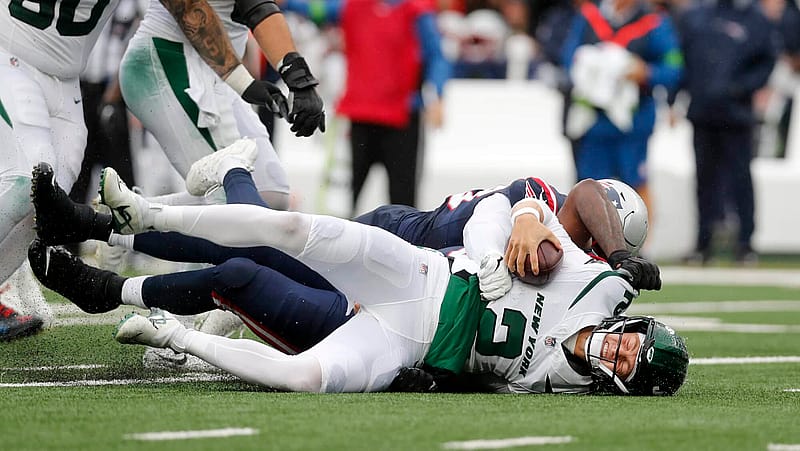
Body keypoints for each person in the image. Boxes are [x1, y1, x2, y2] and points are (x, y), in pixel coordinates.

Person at [29, 156, 688, 395]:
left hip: (404, 335)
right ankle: (136, 218)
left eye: (627, 366)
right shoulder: (582, 264)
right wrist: (516, 223)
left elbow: (481, 375)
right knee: (279, 236)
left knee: (289, 344)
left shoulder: (561, 379)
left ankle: (165, 320)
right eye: (630, 344)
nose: (618, 351)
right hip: (414, 259)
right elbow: (555, 201)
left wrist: (434, 379)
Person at [0, 0, 311, 339]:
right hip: (19, 55)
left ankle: (123, 220)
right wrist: (271, 78)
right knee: (25, 186)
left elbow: (223, 7)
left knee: (42, 205)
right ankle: (179, 321)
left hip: (70, 81)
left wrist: (273, 76)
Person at [117, 0, 326, 213]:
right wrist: (245, 82)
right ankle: (126, 222)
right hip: (170, 59)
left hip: (215, 72)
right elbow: (189, 8)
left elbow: (260, 6)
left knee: (270, 193)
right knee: (233, 203)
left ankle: (130, 215)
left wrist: (299, 79)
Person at [281, 0, 452, 213]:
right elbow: (316, 9)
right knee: (341, 200)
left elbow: (437, 55)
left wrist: (436, 94)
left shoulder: (416, 10)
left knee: (403, 204)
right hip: (358, 119)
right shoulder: (353, 5)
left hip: (400, 120)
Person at [355, 176, 661, 291]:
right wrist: (619, 256)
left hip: (423, 278)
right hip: (405, 233)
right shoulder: (543, 200)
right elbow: (586, 192)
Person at [677, 0, 779, 265]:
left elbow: (767, 60)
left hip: (737, 115)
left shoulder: (755, 18)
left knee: (740, 179)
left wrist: (741, 88)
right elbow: (683, 58)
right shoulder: (696, 16)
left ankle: (745, 244)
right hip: (703, 112)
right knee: (704, 180)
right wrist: (678, 96)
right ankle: (703, 243)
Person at [561, 0, 683, 218]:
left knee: (636, 184)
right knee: (589, 187)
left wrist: (646, 72)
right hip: (593, 122)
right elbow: (568, 57)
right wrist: (591, 66)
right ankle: (590, 238)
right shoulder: (589, 16)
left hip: (634, 123)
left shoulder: (654, 21)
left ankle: (641, 238)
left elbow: (674, 66)